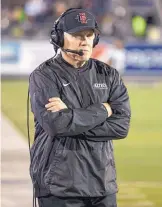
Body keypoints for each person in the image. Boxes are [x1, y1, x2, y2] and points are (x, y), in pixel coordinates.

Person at [29, 8, 131, 207]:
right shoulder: (44, 76)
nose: (84, 41)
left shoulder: (109, 75)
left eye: (89, 35)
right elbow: (56, 125)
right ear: (59, 38)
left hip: (103, 185)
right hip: (59, 187)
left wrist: (71, 116)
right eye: (76, 35)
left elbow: (121, 126)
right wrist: (104, 110)